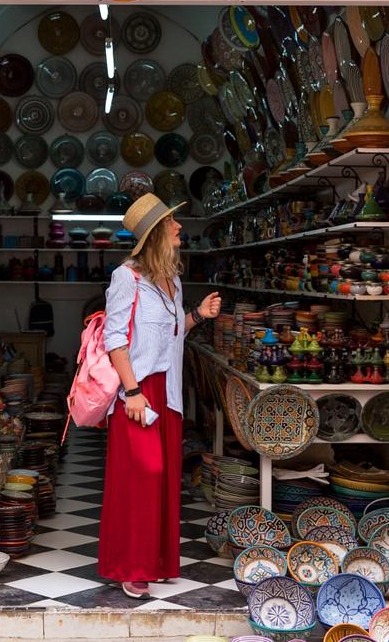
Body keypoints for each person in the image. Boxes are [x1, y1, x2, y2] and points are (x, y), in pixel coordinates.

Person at [97, 193, 221, 599]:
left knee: (164, 478)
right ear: (155, 235)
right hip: (139, 390)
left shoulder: (172, 280)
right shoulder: (126, 278)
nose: (179, 227)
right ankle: (129, 566)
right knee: (141, 476)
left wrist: (197, 315)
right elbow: (116, 341)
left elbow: (169, 333)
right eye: (171, 222)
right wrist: (131, 391)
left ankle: (159, 564)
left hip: (167, 392)